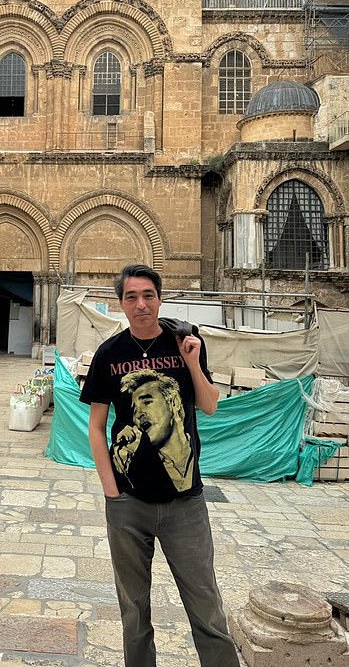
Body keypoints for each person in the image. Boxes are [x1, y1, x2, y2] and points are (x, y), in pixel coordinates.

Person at [80, 264, 239, 667]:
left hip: (186, 504)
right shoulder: (109, 354)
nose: (140, 304)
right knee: (134, 611)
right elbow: (96, 428)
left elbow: (209, 405)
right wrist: (110, 491)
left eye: (148, 295)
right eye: (131, 297)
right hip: (128, 505)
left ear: (160, 299)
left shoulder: (185, 342)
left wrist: (193, 363)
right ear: (120, 304)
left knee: (206, 605)